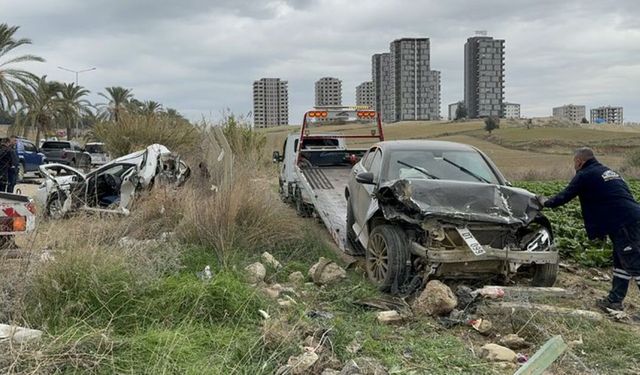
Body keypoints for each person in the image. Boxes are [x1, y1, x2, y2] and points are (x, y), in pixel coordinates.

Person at [540, 147, 640, 313]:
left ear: (580, 162)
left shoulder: (585, 175)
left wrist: (544, 202)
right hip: (630, 218)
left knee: (635, 264)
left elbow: (565, 195)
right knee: (621, 264)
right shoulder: (609, 172)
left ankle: (614, 300)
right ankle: (614, 300)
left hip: (624, 224)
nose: (574, 166)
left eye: (574, 163)